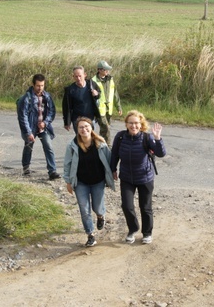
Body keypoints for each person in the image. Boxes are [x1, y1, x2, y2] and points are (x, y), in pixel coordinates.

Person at [110, 110, 166, 245]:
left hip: (145, 177)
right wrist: (113, 169)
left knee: (145, 207)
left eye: (136, 123)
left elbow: (161, 153)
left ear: (141, 124)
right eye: (131, 123)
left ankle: (147, 233)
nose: (133, 126)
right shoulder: (120, 137)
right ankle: (133, 229)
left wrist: (158, 138)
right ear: (126, 124)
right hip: (127, 177)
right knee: (127, 206)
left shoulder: (147, 137)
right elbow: (114, 154)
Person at [63, 116, 115, 247]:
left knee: (97, 207)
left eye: (86, 126)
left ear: (91, 128)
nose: (84, 129)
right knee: (84, 209)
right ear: (77, 129)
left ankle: (100, 216)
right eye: (81, 127)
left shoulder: (101, 143)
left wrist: (113, 173)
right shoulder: (72, 145)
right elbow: (67, 164)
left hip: (98, 182)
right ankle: (90, 235)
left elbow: (110, 161)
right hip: (81, 183)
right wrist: (68, 181)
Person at [17, 74, 59, 180]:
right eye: (38, 85)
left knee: (48, 146)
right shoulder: (27, 98)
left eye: (42, 85)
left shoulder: (47, 96)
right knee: (28, 147)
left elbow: (52, 111)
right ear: (33, 84)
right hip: (31, 128)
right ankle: (26, 168)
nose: (40, 88)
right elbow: (23, 116)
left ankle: (52, 171)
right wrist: (28, 132)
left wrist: (45, 122)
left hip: (43, 128)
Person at [62, 66, 100, 133]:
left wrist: (96, 94)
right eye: (76, 76)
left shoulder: (91, 85)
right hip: (77, 120)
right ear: (73, 76)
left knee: (91, 139)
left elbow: (98, 94)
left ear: (85, 75)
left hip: (90, 118)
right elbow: (66, 107)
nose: (78, 78)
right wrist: (66, 122)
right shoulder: (70, 90)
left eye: (80, 76)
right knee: (80, 140)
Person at [92, 60, 122, 143]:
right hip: (99, 111)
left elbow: (115, 93)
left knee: (104, 130)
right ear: (99, 70)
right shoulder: (93, 81)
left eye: (108, 69)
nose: (107, 71)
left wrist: (118, 106)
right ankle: (108, 148)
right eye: (105, 69)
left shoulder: (110, 79)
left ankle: (100, 146)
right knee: (106, 129)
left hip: (109, 110)